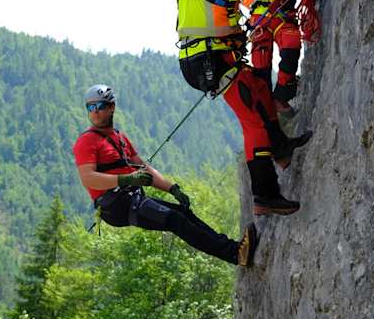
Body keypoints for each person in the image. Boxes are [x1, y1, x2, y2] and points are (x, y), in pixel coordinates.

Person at [176, 0, 312, 216]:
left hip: (209, 56)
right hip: (211, 60)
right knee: (253, 123)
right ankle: (265, 194)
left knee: (260, 89)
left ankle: (281, 146)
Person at [73, 84, 258, 267]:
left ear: (112, 107)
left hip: (130, 198)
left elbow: (144, 168)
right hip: (115, 205)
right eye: (90, 107)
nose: (95, 112)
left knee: (183, 213)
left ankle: (233, 248)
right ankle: (234, 253)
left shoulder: (120, 138)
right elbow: (88, 178)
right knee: (175, 221)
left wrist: (172, 188)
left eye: (100, 106)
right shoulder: (87, 141)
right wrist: (126, 179)